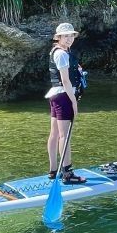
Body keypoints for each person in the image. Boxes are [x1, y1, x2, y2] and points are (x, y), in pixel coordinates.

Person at [45, 22, 87, 184]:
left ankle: (53, 171)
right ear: (59, 37)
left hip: (56, 96)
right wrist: (74, 103)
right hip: (64, 96)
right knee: (65, 136)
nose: (69, 39)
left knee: (55, 134)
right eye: (66, 36)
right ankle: (68, 174)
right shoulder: (61, 54)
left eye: (71, 36)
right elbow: (65, 81)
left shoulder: (58, 51)